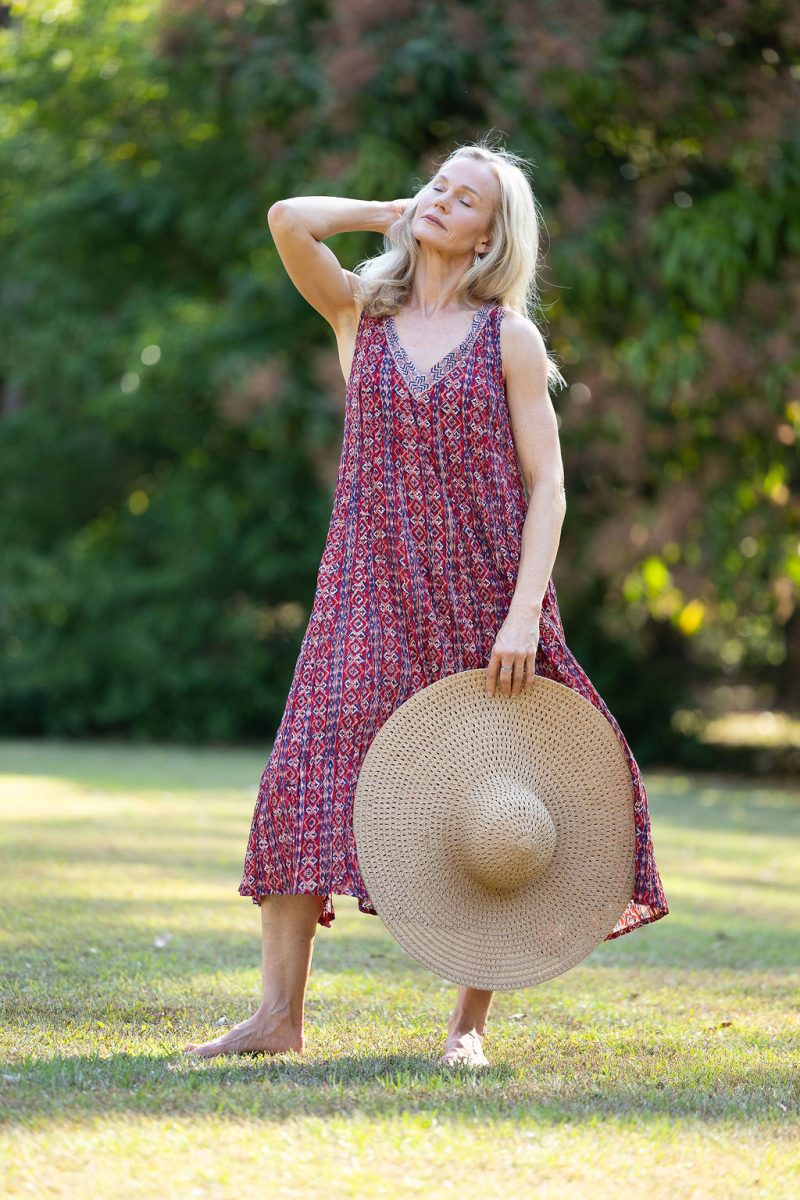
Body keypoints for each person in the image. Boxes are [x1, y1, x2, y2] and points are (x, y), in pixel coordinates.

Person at [184, 138, 669, 1068]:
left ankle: (467, 1030)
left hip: (482, 593)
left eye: (466, 196)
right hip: (365, 588)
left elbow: (551, 486)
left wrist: (524, 610)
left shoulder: (509, 339)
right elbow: (289, 219)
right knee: (300, 780)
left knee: (490, 796)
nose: (444, 200)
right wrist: (386, 213)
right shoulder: (362, 310)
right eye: (439, 185)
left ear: (494, 233)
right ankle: (276, 1020)